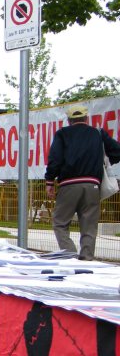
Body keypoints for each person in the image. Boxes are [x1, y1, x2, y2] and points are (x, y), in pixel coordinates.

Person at [45, 104, 120, 260]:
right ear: (86, 118)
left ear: (69, 120)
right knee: (89, 227)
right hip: (93, 185)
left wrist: (50, 181)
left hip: (68, 185)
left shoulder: (62, 134)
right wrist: (105, 161)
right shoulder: (98, 133)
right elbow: (117, 151)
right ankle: (86, 260)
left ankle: (70, 256)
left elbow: (55, 159)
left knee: (60, 222)